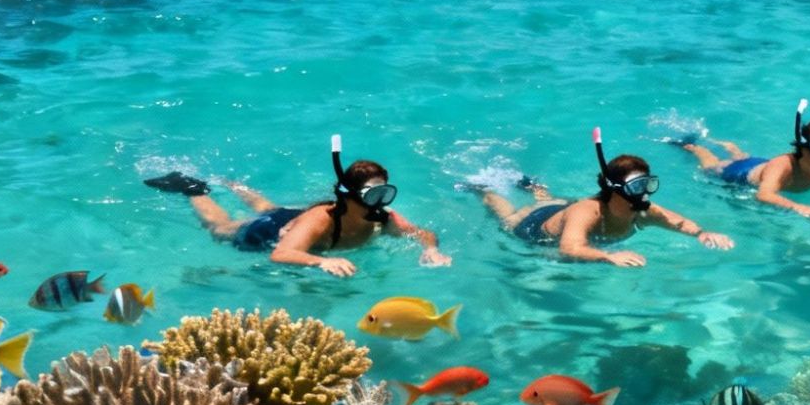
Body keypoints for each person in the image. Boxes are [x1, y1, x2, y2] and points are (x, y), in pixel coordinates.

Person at [144, 136, 451, 277]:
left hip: (291, 218)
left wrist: (431, 249)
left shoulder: (381, 219)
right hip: (271, 232)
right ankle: (193, 188)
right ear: (349, 197)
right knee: (220, 229)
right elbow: (281, 254)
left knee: (271, 207)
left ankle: (232, 183)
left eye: (385, 193)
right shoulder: (321, 221)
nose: (381, 203)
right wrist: (320, 262)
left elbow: (423, 234)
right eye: (373, 195)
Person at [481, 128, 733, 267]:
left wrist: (701, 233)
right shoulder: (587, 211)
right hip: (536, 226)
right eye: (637, 186)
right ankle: (484, 189)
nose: (644, 192)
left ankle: (536, 188)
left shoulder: (642, 209)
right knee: (509, 218)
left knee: (547, 199)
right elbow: (569, 248)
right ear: (614, 188)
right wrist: (608, 256)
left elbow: (676, 221)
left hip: (563, 211)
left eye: (648, 184)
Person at [673, 99, 810, 218]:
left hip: (760, 166)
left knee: (742, 157)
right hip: (737, 175)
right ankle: (694, 146)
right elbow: (764, 195)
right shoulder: (784, 166)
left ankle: (733, 149)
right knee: (710, 165)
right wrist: (799, 207)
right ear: (803, 148)